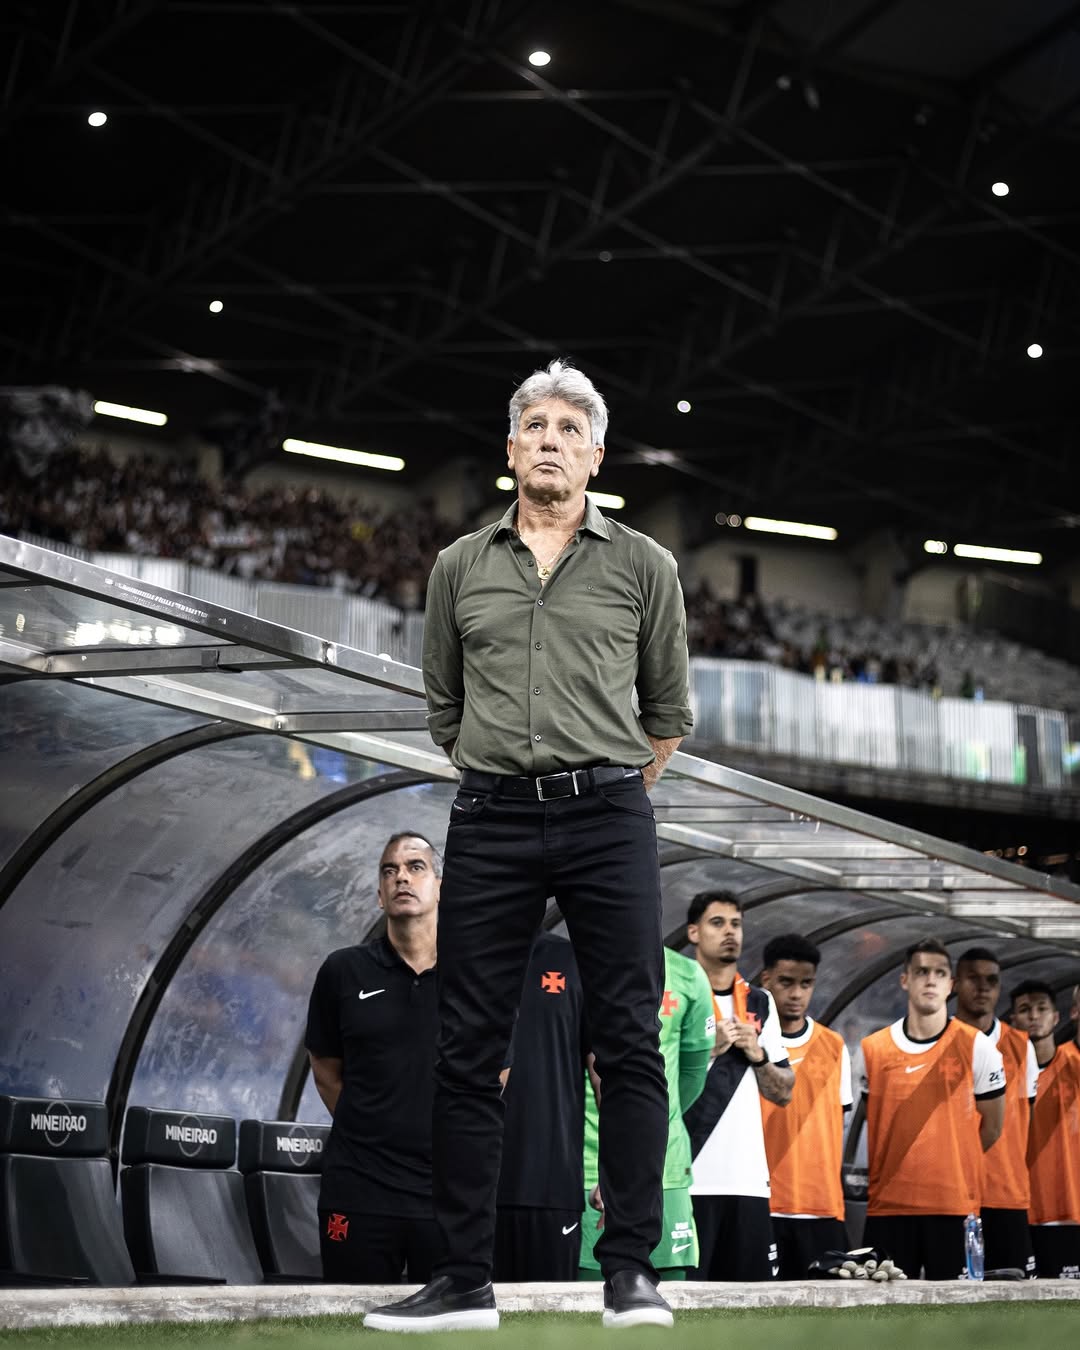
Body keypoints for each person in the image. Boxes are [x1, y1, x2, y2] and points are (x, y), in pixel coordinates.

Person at [365, 359, 692, 1332]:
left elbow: (667, 714)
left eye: (568, 429)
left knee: (627, 1039)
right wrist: (511, 782)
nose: (550, 441)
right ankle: (463, 1279)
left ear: (596, 455)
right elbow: (444, 707)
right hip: (492, 818)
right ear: (510, 450)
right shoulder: (458, 567)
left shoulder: (646, 566)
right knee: (467, 1048)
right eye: (534, 427)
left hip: (609, 814)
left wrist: (603, 795)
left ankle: (629, 1271)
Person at [304, 833, 440, 1283]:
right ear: (380, 895)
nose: (401, 877)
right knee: (349, 1313)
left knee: (448, 1316)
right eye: (389, 870)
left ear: (440, 887)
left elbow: (497, 1072)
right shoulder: (342, 971)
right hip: (358, 1187)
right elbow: (325, 1071)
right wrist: (369, 1126)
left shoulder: (472, 976)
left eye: (416, 867)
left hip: (444, 1190)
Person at [859, 939, 1005, 1279]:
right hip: (888, 1208)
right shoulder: (872, 1049)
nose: (930, 980)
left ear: (950, 984)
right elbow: (871, 1122)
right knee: (883, 1310)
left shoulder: (977, 1047)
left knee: (956, 1309)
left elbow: (993, 1128)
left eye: (939, 973)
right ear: (905, 980)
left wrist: (952, 1161)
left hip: (953, 1207)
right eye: (922, 972)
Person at [579, 945, 715, 1282]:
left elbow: (692, 1074)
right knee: (577, 1299)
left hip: (665, 1168)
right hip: (582, 1165)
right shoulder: (573, 963)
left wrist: (650, 1125)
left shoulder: (687, 974)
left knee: (668, 1296)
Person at [683, 892, 793, 1281]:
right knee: (685, 1300)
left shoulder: (760, 1003)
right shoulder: (675, 994)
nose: (729, 932)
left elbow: (784, 1092)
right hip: (687, 1178)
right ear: (693, 932)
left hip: (748, 1181)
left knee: (752, 1302)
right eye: (717, 923)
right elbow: (653, 1078)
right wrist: (705, 1050)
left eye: (736, 924)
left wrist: (758, 1055)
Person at [494, 931, 590, 1281]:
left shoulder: (572, 959)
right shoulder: (460, 953)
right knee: (466, 1311)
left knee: (550, 1311)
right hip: (468, 1187)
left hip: (552, 1184)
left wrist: (616, 1169)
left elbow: (604, 1073)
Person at [759, 934, 852, 1278]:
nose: (796, 994)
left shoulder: (834, 1046)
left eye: (806, 984)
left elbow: (840, 1122)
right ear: (766, 980)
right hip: (763, 1204)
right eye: (786, 982)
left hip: (822, 1208)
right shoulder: (750, 1044)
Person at [953, 947, 1038, 1276]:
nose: (983, 987)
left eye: (991, 980)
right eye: (973, 978)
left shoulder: (1021, 1045)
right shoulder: (940, 1041)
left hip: (1006, 1193)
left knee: (1016, 1295)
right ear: (955, 983)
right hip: (954, 1194)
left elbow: (1026, 1117)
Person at [1010, 979, 1080, 1279]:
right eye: (1025, 1010)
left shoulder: (1073, 1061)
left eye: (1042, 1009)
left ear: (1057, 1017)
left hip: (1068, 1209)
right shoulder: (999, 1069)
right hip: (1016, 1209)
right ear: (1013, 1019)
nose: (1034, 1016)